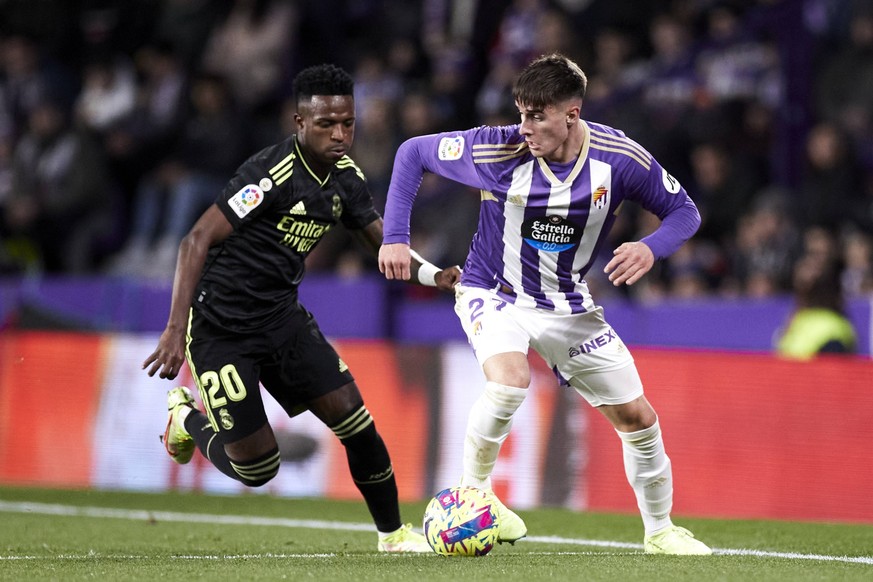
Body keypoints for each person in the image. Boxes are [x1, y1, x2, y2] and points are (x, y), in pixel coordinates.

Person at [379, 53, 712, 555]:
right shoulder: (497, 148)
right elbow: (412, 153)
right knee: (510, 381)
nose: (525, 126)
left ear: (571, 114)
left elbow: (684, 212)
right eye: (521, 113)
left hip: (568, 305)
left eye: (537, 115)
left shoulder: (618, 158)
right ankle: (478, 500)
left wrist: (651, 247)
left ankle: (662, 532)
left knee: (639, 418)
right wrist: (396, 237)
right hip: (493, 292)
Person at [142, 64, 460, 552]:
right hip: (220, 328)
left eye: (347, 123)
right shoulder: (271, 174)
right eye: (326, 124)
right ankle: (187, 420)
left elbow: (386, 245)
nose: (339, 134)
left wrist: (434, 275)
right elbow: (196, 239)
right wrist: (173, 330)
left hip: (282, 319)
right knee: (257, 468)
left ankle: (393, 536)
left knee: (355, 419)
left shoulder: (347, 180)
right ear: (299, 123)